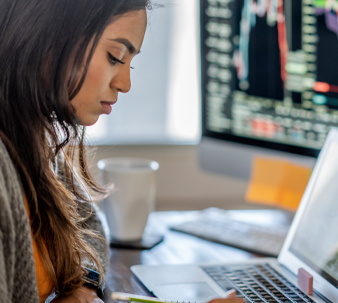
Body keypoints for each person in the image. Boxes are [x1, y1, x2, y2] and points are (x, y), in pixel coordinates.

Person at [0, 1, 245, 303]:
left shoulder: (34, 140)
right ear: (49, 34)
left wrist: (83, 288)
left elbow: (89, 225)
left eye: (131, 62)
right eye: (115, 57)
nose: (125, 84)